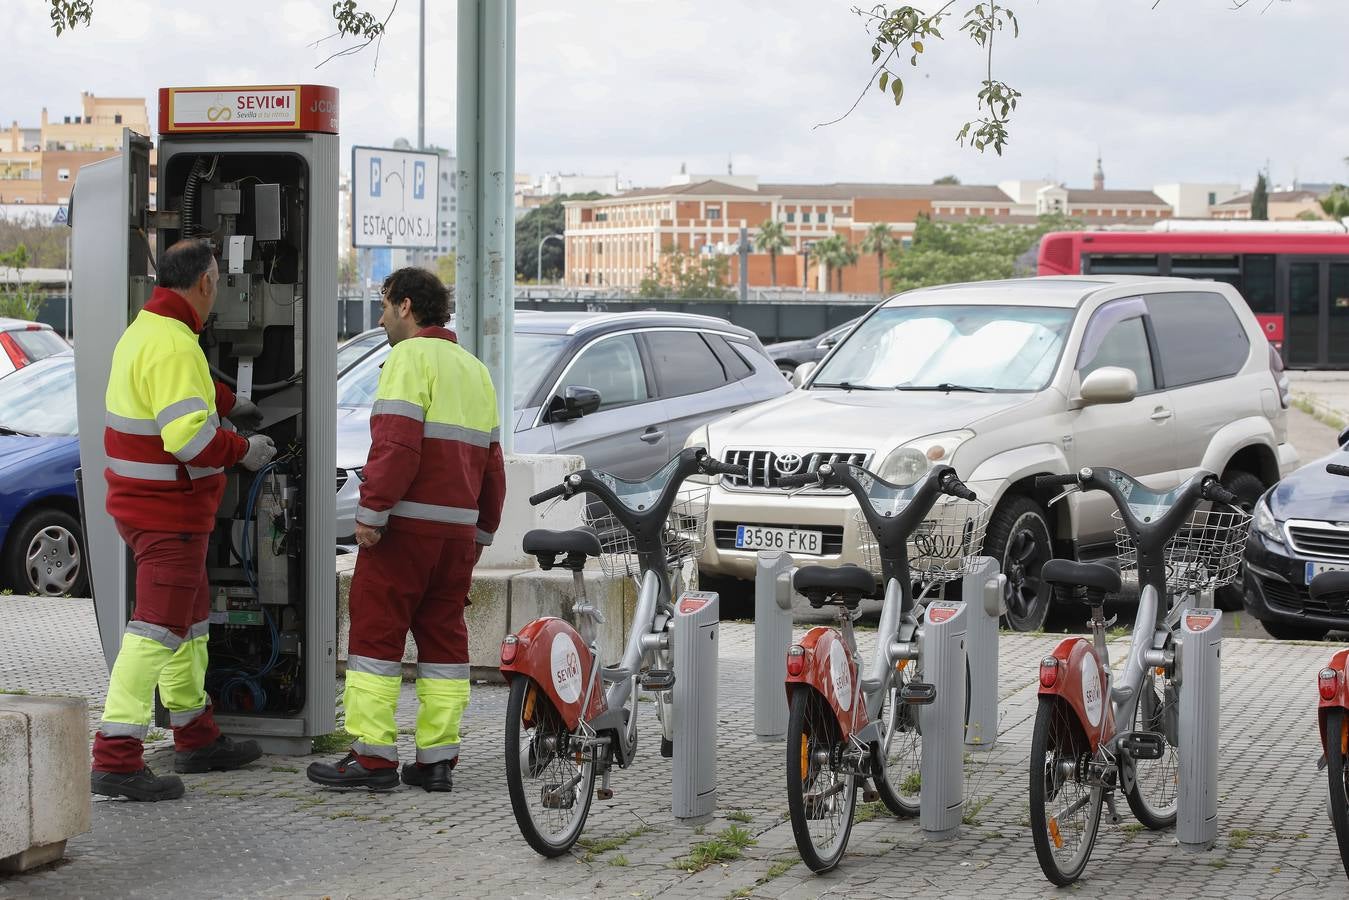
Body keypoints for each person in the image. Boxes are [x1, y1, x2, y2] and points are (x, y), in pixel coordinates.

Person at [91, 239, 277, 802]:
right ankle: (116, 756)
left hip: (157, 510)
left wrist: (224, 400)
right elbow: (188, 439)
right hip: (166, 514)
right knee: (155, 629)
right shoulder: (172, 344)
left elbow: (179, 394)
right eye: (218, 282)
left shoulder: (151, 331)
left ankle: (195, 735)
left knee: (189, 623)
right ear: (204, 283)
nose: (218, 292)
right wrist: (242, 449)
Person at [307, 267, 505, 792]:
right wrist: (482, 530)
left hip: (406, 531)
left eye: (385, 304)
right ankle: (436, 760)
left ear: (408, 307)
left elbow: (396, 445)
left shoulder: (408, 359)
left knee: (375, 636)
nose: (380, 316)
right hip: (456, 538)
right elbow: (492, 463)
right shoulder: (474, 370)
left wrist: (370, 515)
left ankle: (372, 757)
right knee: (444, 642)